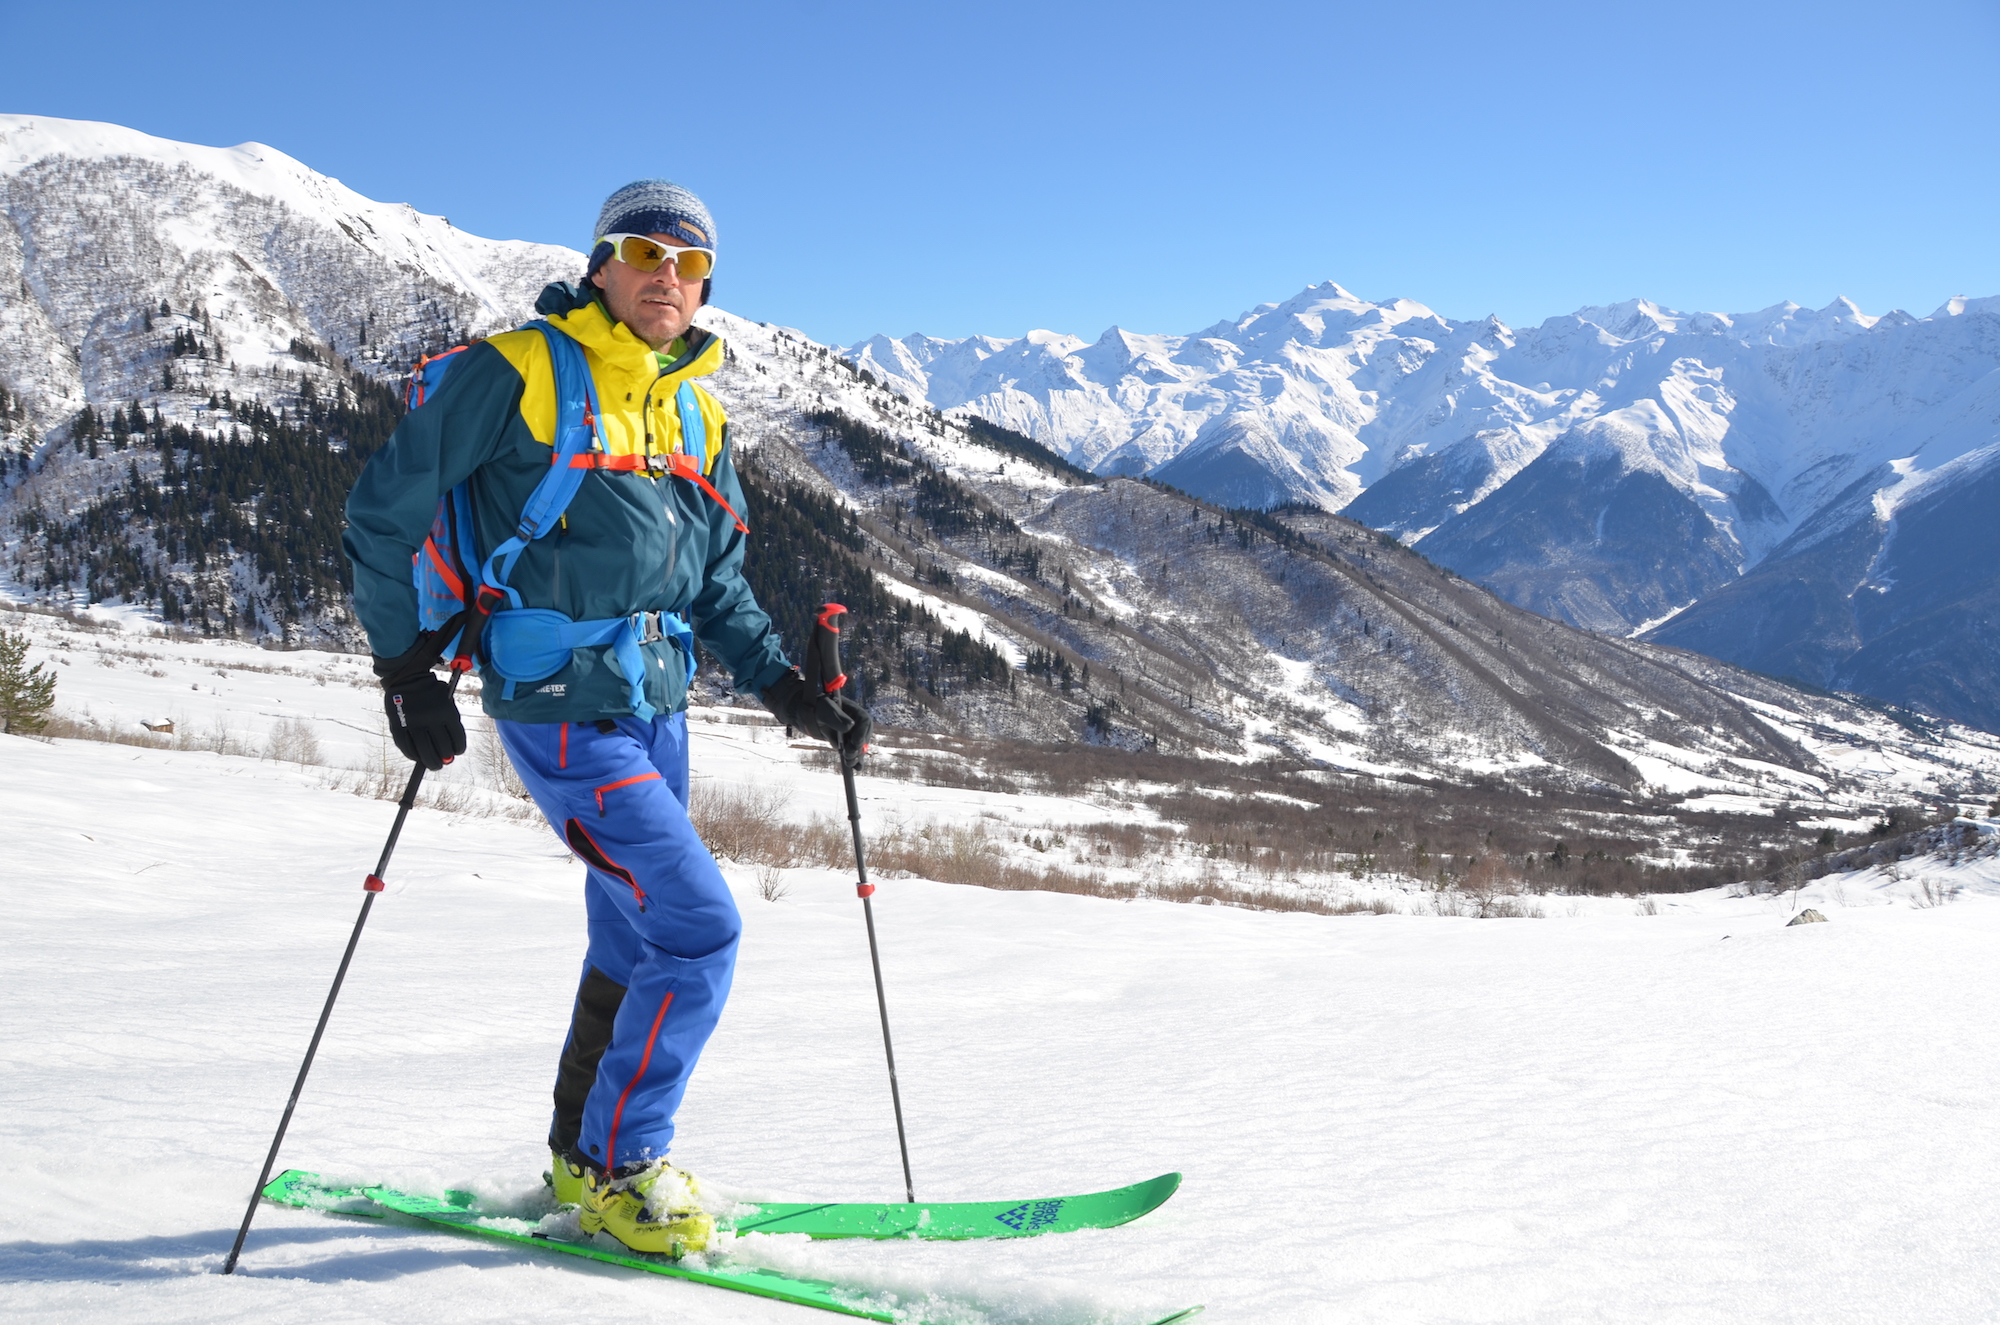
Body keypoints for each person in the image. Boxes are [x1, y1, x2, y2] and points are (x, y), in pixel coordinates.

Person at [341, 178, 871, 1257]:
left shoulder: (697, 406)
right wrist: (404, 664)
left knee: (634, 928)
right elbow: (379, 510)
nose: (664, 274)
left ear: (706, 281)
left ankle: (580, 1154)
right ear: (599, 263)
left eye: (687, 261)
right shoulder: (517, 373)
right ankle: (627, 1165)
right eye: (642, 251)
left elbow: (716, 579)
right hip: (561, 708)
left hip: (656, 704)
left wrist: (784, 688)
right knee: (700, 924)